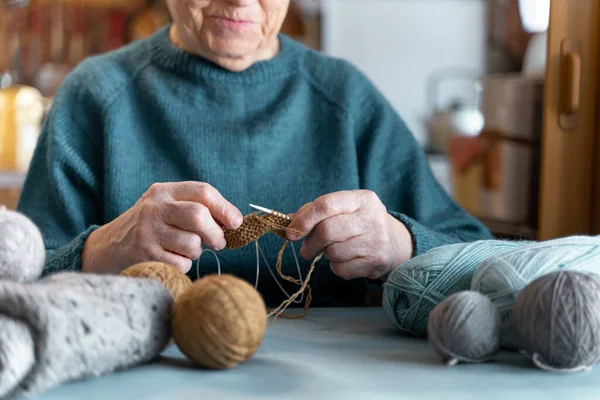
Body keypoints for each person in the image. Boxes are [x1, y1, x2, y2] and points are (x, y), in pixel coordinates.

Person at [17, 0, 493, 308]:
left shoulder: (344, 99)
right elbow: (17, 281)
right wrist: (101, 250)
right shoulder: (96, 96)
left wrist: (401, 246)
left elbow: (482, 262)